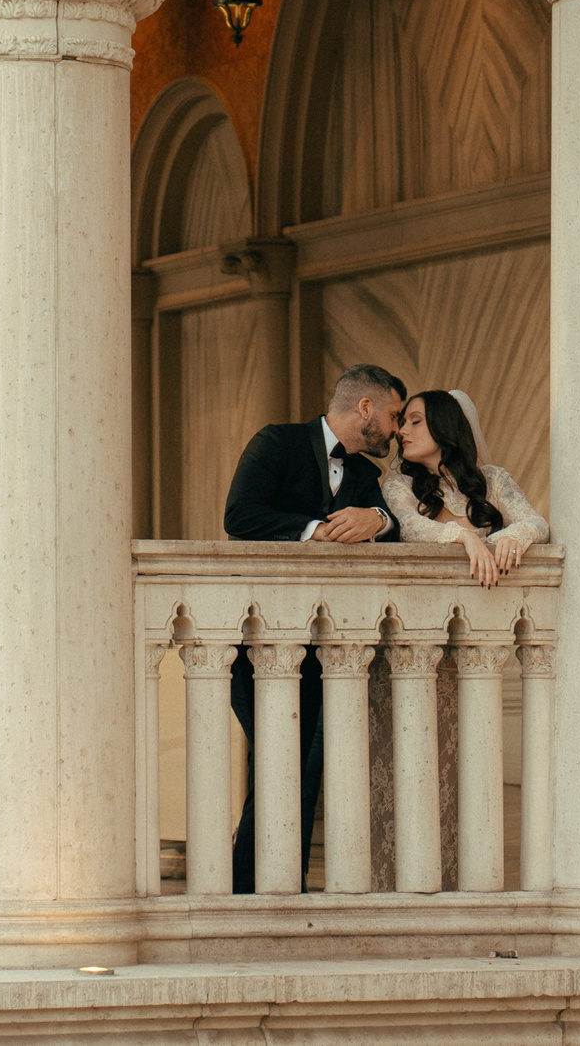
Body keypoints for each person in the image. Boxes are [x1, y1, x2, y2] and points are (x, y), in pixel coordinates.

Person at [218, 363, 404, 892]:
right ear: (364, 408)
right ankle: (253, 888)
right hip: (258, 641)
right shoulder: (276, 442)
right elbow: (240, 517)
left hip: (327, 649)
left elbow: (402, 525)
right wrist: (316, 530)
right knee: (280, 762)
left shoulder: (369, 477)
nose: (394, 430)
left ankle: (281, 886)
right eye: (392, 415)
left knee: (306, 769)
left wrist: (378, 520)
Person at [381, 388, 549, 588]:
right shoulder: (399, 485)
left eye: (415, 421)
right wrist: (465, 537)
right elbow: (406, 525)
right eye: (402, 423)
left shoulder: (493, 480)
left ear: (444, 425)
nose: (401, 431)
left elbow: (537, 523)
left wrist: (513, 536)